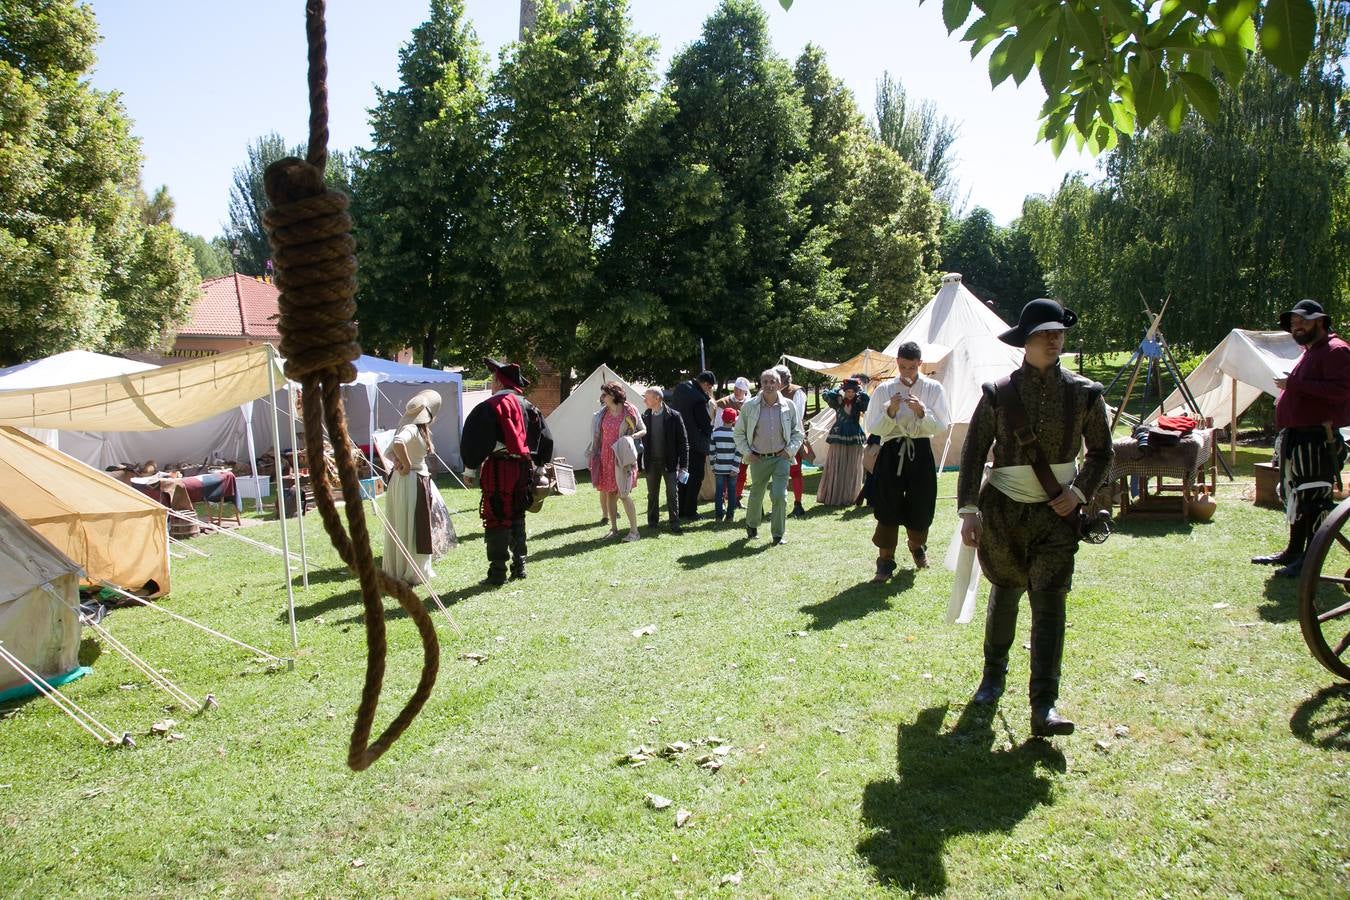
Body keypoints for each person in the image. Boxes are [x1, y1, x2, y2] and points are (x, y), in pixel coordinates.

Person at [958, 299, 1113, 737]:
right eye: (1044, 332)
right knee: (1005, 595)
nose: (1053, 338)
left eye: (1058, 332)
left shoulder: (1085, 393)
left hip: (1056, 518)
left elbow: (1103, 453)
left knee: (1049, 605)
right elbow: (972, 455)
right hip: (1003, 513)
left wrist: (1080, 492)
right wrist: (969, 510)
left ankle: (1044, 705)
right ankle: (992, 679)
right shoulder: (997, 393)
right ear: (1025, 340)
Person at [1251, 299, 1350, 577]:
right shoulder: (1312, 352)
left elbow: (1341, 391)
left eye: (1302, 322)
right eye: (1294, 324)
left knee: (1313, 500)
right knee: (1296, 495)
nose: (1297, 327)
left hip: (1317, 438)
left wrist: (1294, 384)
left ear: (1319, 321)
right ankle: (1294, 552)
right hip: (1298, 437)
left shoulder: (1335, 350)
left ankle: (1309, 559)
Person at [461, 358, 554, 586]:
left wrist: (470, 470)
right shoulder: (531, 407)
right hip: (523, 468)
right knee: (517, 514)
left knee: (497, 517)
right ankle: (519, 566)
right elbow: (547, 439)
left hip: (498, 469)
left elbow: (474, 441)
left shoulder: (490, 407)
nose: (492, 384)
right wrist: (539, 464)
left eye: (493, 380)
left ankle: (498, 572)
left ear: (498, 381)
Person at [864, 344, 950, 577]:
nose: (907, 372)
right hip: (891, 450)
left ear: (920, 364)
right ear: (897, 362)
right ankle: (885, 561)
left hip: (920, 450)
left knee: (922, 502)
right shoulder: (885, 389)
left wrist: (923, 412)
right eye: (903, 366)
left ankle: (917, 546)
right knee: (887, 503)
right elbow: (873, 426)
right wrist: (890, 411)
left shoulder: (933, 388)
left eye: (912, 367)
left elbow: (942, 424)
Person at [381, 390, 456, 584]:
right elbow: (397, 444)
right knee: (411, 523)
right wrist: (405, 464)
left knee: (412, 523)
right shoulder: (412, 428)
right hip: (410, 480)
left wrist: (399, 462)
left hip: (411, 479)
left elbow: (390, 451)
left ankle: (410, 568)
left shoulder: (415, 429)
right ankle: (409, 570)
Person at [733, 369, 805, 545]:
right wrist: (748, 453)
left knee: (780, 495)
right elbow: (738, 433)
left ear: (779, 384)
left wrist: (789, 451)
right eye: (765, 382)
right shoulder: (750, 406)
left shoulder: (789, 405)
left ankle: (778, 534)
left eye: (773, 381)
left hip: (782, 457)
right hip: (758, 458)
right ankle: (752, 525)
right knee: (756, 494)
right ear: (760, 384)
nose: (769, 385)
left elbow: (798, 433)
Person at [589, 381, 646, 542]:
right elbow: (598, 437)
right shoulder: (602, 413)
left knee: (624, 494)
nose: (602, 398)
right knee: (610, 494)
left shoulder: (629, 410)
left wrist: (631, 437)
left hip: (622, 457)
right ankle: (614, 529)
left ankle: (634, 532)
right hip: (606, 457)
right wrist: (595, 455)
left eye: (605, 394)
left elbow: (643, 429)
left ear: (613, 395)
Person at [641, 386, 689, 533]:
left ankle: (674, 523)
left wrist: (684, 466)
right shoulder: (645, 416)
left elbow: (683, 442)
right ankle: (652, 522)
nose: (644, 400)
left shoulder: (674, 416)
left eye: (647, 397)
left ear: (657, 398)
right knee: (652, 494)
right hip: (651, 462)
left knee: (672, 494)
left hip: (670, 462)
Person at [816, 377, 871, 507]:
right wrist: (839, 388)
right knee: (837, 463)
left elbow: (867, 401)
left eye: (852, 391)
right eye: (847, 391)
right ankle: (834, 494)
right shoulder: (838, 401)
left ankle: (849, 495)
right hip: (838, 433)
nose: (850, 394)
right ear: (844, 391)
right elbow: (826, 394)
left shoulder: (859, 403)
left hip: (854, 434)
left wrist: (861, 391)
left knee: (851, 465)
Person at [670, 371, 716, 521]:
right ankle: (690, 511)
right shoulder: (698, 398)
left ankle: (681, 509)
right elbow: (704, 423)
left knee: (682, 476)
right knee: (696, 477)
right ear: (706, 384)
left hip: (679, 440)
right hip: (696, 443)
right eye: (709, 388)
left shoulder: (680, 389)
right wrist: (710, 432)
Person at [773, 364, 809, 519]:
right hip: (774, 438)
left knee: (795, 471)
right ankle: (778, 504)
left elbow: (797, 417)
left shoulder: (796, 392)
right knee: (775, 472)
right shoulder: (772, 392)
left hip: (792, 437)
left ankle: (798, 504)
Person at [717, 376, 753, 503]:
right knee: (725, 472)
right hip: (727, 443)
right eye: (736, 388)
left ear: (745, 391)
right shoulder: (723, 403)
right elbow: (717, 425)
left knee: (742, 471)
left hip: (744, 443)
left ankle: (737, 497)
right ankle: (723, 498)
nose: (737, 391)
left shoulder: (750, 403)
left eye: (740, 390)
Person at [711, 407, 742, 522]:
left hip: (719, 467)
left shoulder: (715, 432)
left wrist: (713, 465)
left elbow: (711, 451)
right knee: (732, 492)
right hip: (732, 469)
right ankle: (730, 516)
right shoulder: (736, 434)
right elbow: (739, 452)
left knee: (719, 492)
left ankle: (718, 516)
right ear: (734, 420)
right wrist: (735, 467)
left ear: (722, 418)